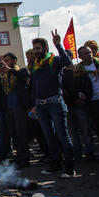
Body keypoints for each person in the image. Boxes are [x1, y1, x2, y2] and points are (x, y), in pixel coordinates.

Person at [29, 31, 75, 178]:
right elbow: (34, 88)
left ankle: (69, 168)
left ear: (45, 49)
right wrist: (34, 105)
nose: (36, 51)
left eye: (38, 48)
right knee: (49, 137)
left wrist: (58, 45)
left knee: (62, 135)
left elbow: (68, 62)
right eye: (34, 48)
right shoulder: (35, 67)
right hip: (41, 106)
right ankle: (55, 164)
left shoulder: (53, 61)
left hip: (55, 103)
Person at [73, 46, 99, 163]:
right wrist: (80, 93)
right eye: (85, 53)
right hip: (93, 102)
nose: (89, 55)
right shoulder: (79, 71)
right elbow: (77, 86)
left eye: (90, 52)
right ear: (80, 56)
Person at [0, 52, 31, 169]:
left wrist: (10, 70)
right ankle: (18, 157)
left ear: (14, 61)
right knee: (14, 135)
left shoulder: (21, 71)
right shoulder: (5, 76)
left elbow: (25, 77)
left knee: (21, 134)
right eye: (5, 61)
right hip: (9, 109)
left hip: (19, 107)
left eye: (8, 61)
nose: (6, 63)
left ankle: (25, 158)